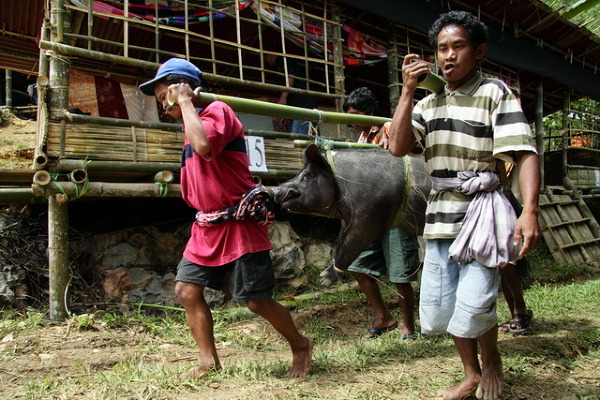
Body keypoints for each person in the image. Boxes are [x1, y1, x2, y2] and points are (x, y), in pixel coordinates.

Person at [388, 11, 541, 400]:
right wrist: (407, 92)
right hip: (440, 217)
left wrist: (529, 210)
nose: (448, 56)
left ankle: (491, 362)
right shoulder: (426, 103)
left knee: (476, 300)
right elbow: (398, 147)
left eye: (458, 46)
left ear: (479, 51)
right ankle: (471, 372)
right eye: (441, 49)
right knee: (447, 304)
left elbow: (524, 153)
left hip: (484, 214)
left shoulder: (495, 92)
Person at [139, 58, 313, 379]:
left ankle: (301, 345)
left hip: (238, 222)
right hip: (206, 225)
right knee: (186, 291)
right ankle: (209, 362)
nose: (164, 105)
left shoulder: (218, 112)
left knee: (257, 302)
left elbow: (204, 145)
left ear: (184, 89)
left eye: (166, 95)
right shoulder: (189, 123)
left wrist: (187, 102)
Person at [341, 86, 420, 340]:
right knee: (356, 264)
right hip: (372, 213)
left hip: (396, 211)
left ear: (368, 112)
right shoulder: (362, 138)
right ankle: (384, 317)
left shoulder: (387, 127)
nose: (351, 121)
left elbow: (403, 160)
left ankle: (408, 325)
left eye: (354, 114)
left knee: (400, 272)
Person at [265, 48, 317, 134]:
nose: (266, 61)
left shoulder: (283, 59)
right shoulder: (279, 67)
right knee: (296, 138)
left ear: (269, 54)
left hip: (303, 106)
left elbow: (291, 77)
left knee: (299, 138)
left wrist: (283, 98)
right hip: (295, 109)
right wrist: (286, 115)